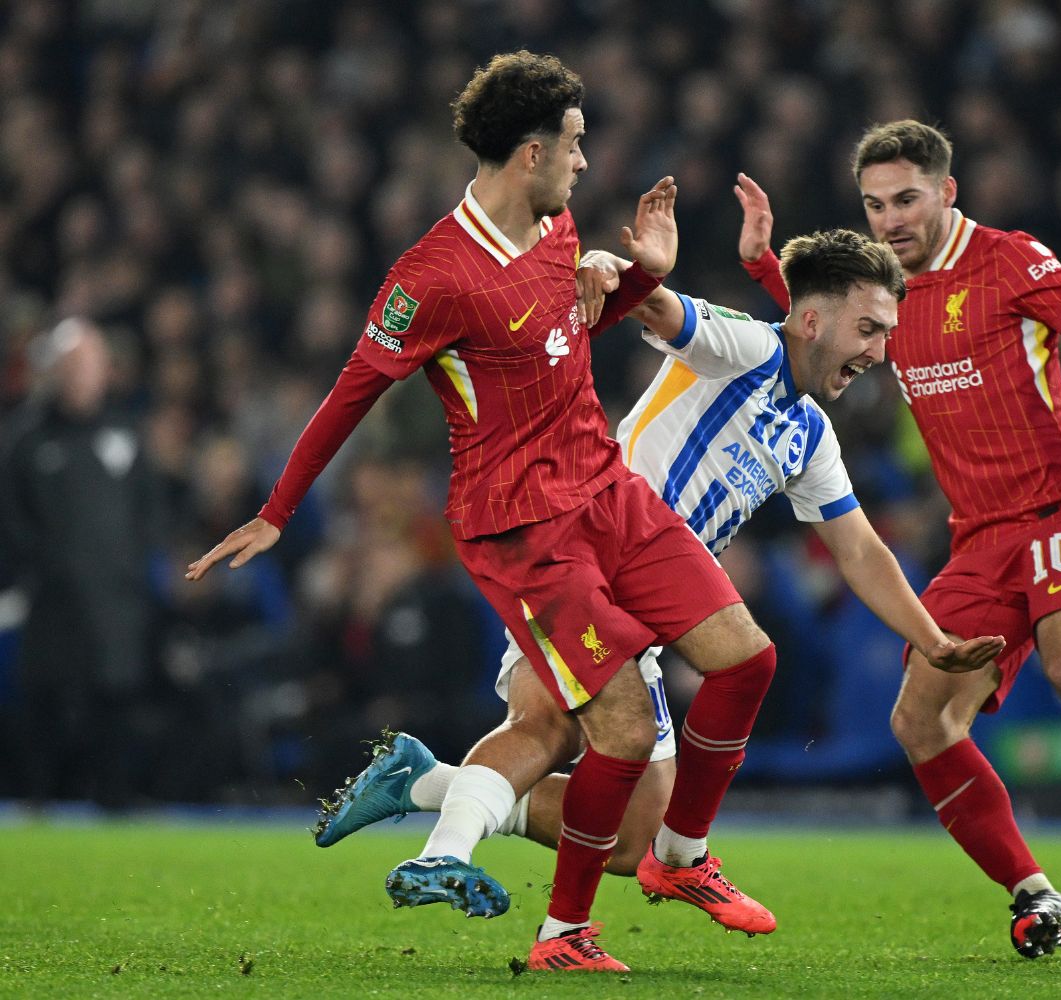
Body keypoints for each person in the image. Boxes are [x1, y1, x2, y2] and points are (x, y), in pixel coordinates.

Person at [189, 51, 777, 974]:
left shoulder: (558, 228)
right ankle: (564, 936)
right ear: (531, 153)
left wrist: (639, 276)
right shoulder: (433, 275)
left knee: (747, 658)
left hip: (607, 489)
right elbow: (351, 391)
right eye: (576, 146)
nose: (586, 163)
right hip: (524, 528)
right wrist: (278, 511)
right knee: (617, 729)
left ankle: (680, 859)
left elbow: (558, 334)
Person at [313, 229, 1003, 930]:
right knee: (545, 726)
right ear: (813, 319)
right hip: (585, 556)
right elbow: (661, 310)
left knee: (631, 834)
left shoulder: (810, 435)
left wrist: (933, 639)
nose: (879, 352)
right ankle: (464, 858)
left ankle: (427, 783)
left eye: (885, 333)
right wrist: (610, 268)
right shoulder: (745, 346)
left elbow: (859, 550)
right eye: (868, 328)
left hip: (658, 603)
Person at [734, 121, 1061, 959]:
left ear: (948, 191)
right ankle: (1038, 896)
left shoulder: (1011, 260)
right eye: (875, 205)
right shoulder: (884, 296)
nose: (890, 220)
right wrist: (760, 260)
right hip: (978, 540)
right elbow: (814, 319)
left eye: (906, 199)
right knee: (918, 719)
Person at [0, 318, 164, 809]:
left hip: (114, 604)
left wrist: (134, 570)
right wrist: (37, 567)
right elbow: (9, 513)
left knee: (115, 703)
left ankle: (116, 801)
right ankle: (38, 804)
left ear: (105, 371)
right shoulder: (26, 438)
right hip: (50, 602)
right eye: (70, 364)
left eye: (88, 363)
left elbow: (149, 511)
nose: (79, 375)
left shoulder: (127, 435)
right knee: (46, 705)